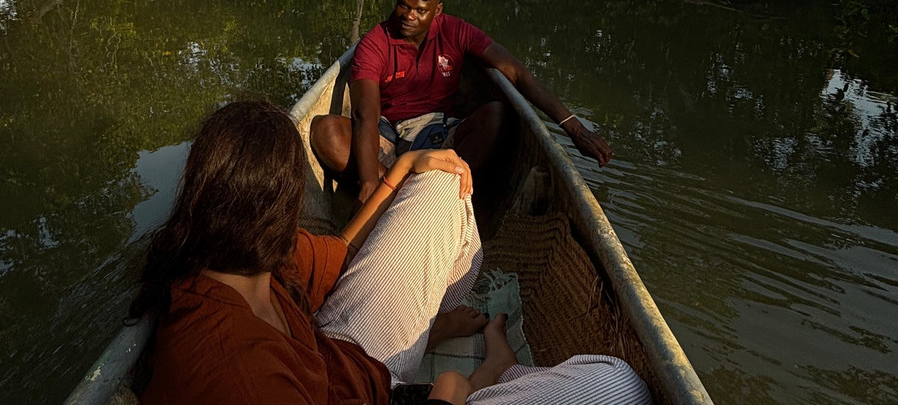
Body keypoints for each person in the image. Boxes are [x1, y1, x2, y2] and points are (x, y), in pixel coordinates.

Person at [129, 99, 652, 405]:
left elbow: (337, 252)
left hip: (354, 363)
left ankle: (429, 330)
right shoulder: (236, 378)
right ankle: (486, 370)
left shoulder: (242, 255)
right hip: (381, 387)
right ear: (284, 204)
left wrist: (401, 173)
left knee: (443, 182)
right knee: (617, 385)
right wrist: (452, 393)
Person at [311, 0, 614, 209]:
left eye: (420, 10)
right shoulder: (375, 43)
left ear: (437, 11)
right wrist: (367, 184)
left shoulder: (455, 31)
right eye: (403, 6)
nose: (408, 16)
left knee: (496, 115)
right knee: (325, 130)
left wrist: (575, 129)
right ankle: (400, 193)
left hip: (442, 133)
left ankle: (419, 193)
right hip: (387, 134)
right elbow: (366, 115)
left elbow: (519, 75)